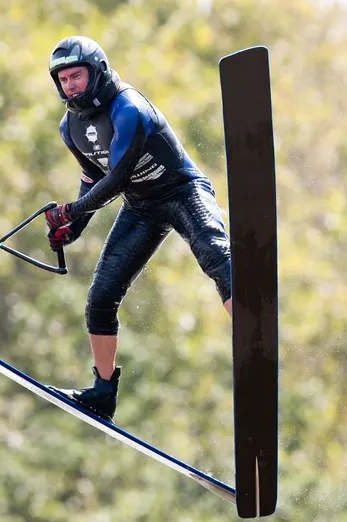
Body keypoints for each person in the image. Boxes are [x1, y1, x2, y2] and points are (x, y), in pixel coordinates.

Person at [45, 36, 232, 424]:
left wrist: (72, 211)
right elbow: (91, 180)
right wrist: (71, 228)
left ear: (96, 72)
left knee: (215, 255)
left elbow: (114, 180)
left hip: (181, 190)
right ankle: (102, 392)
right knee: (100, 298)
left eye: (76, 76)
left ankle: (252, 326)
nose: (70, 86)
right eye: (62, 80)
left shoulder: (129, 108)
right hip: (142, 207)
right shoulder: (70, 128)